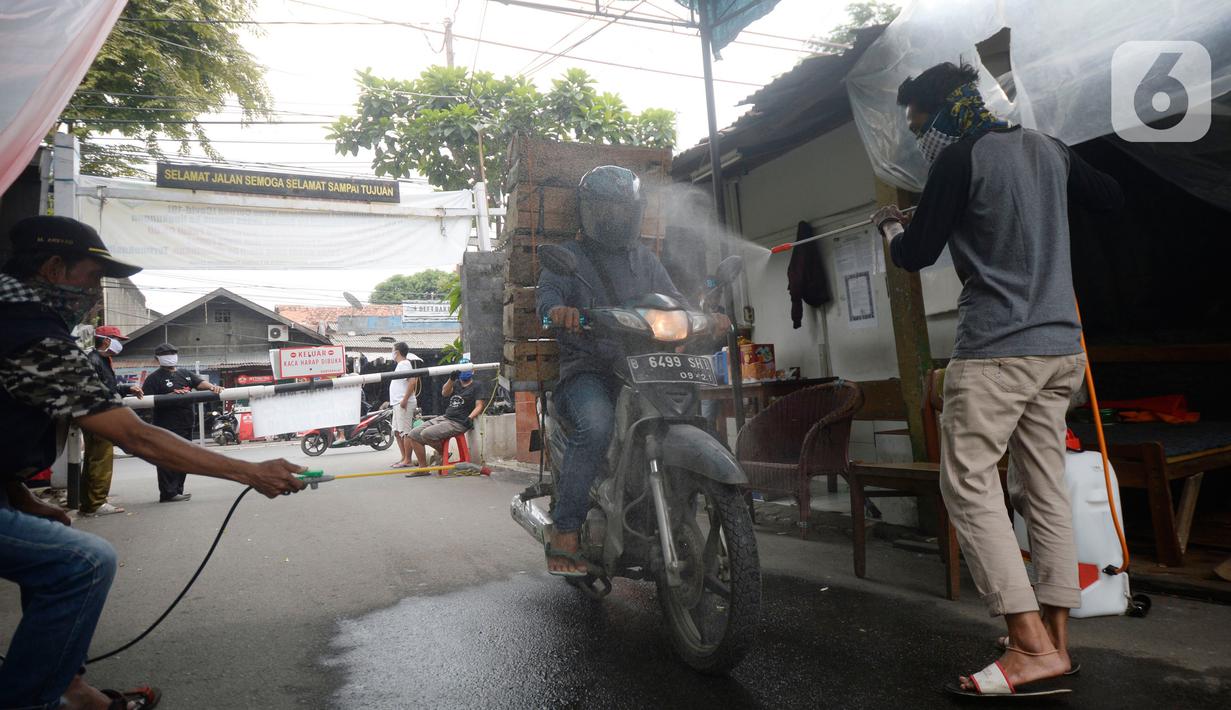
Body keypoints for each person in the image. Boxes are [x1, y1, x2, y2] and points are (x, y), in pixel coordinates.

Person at [874, 62, 1123, 697]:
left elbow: (914, 255)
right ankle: (1057, 643)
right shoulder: (1049, 148)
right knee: (1044, 488)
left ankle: (1028, 645)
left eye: (918, 123)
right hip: (1060, 353)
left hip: (996, 355)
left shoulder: (958, 161)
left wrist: (891, 226)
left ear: (946, 111)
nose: (918, 138)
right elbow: (1112, 200)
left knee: (966, 484)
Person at [0, 215, 305, 710]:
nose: (95, 293)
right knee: (83, 563)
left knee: (57, 552)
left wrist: (19, 497)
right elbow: (135, 436)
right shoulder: (28, 332)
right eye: (91, 277)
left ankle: (70, 687)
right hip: (150, 431)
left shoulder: (21, 317)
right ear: (54, 267)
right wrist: (249, 471)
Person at [535, 165, 726, 577]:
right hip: (588, 370)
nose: (616, 217)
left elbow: (674, 302)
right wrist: (559, 312)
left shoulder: (645, 259)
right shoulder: (568, 258)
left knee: (687, 416)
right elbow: (545, 304)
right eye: (607, 208)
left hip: (644, 369)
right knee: (598, 425)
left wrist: (704, 319)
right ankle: (566, 529)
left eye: (624, 209)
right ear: (588, 211)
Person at [141, 342, 222, 503]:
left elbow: (199, 383)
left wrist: (213, 387)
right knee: (167, 459)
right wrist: (169, 396)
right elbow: (144, 403)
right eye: (165, 355)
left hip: (186, 423)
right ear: (157, 359)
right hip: (165, 426)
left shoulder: (185, 373)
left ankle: (178, 490)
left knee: (184, 458)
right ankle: (168, 493)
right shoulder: (153, 379)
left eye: (172, 353)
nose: (170, 357)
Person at [81, 325, 143, 517]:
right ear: (107, 340)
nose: (121, 345)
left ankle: (89, 503)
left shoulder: (100, 359)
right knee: (101, 459)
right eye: (119, 341)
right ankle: (97, 502)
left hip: (96, 414)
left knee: (94, 459)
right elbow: (98, 390)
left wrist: (126, 389)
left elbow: (108, 386)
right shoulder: (94, 360)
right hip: (100, 415)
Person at [406, 358, 485, 477]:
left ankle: (443, 453)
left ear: (472, 371)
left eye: (467, 369)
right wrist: (451, 379)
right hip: (446, 417)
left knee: (426, 434)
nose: (464, 372)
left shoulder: (477, 385)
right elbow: (445, 393)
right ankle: (423, 468)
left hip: (459, 422)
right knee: (413, 434)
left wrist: (470, 417)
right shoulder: (456, 383)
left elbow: (480, 406)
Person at [387, 341, 420, 468]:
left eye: (392, 350)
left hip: (403, 402)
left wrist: (405, 400)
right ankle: (403, 457)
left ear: (397, 352)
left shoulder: (405, 364)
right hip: (397, 402)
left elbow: (412, 382)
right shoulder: (400, 365)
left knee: (405, 432)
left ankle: (408, 459)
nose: (392, 353)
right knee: (397, 431)